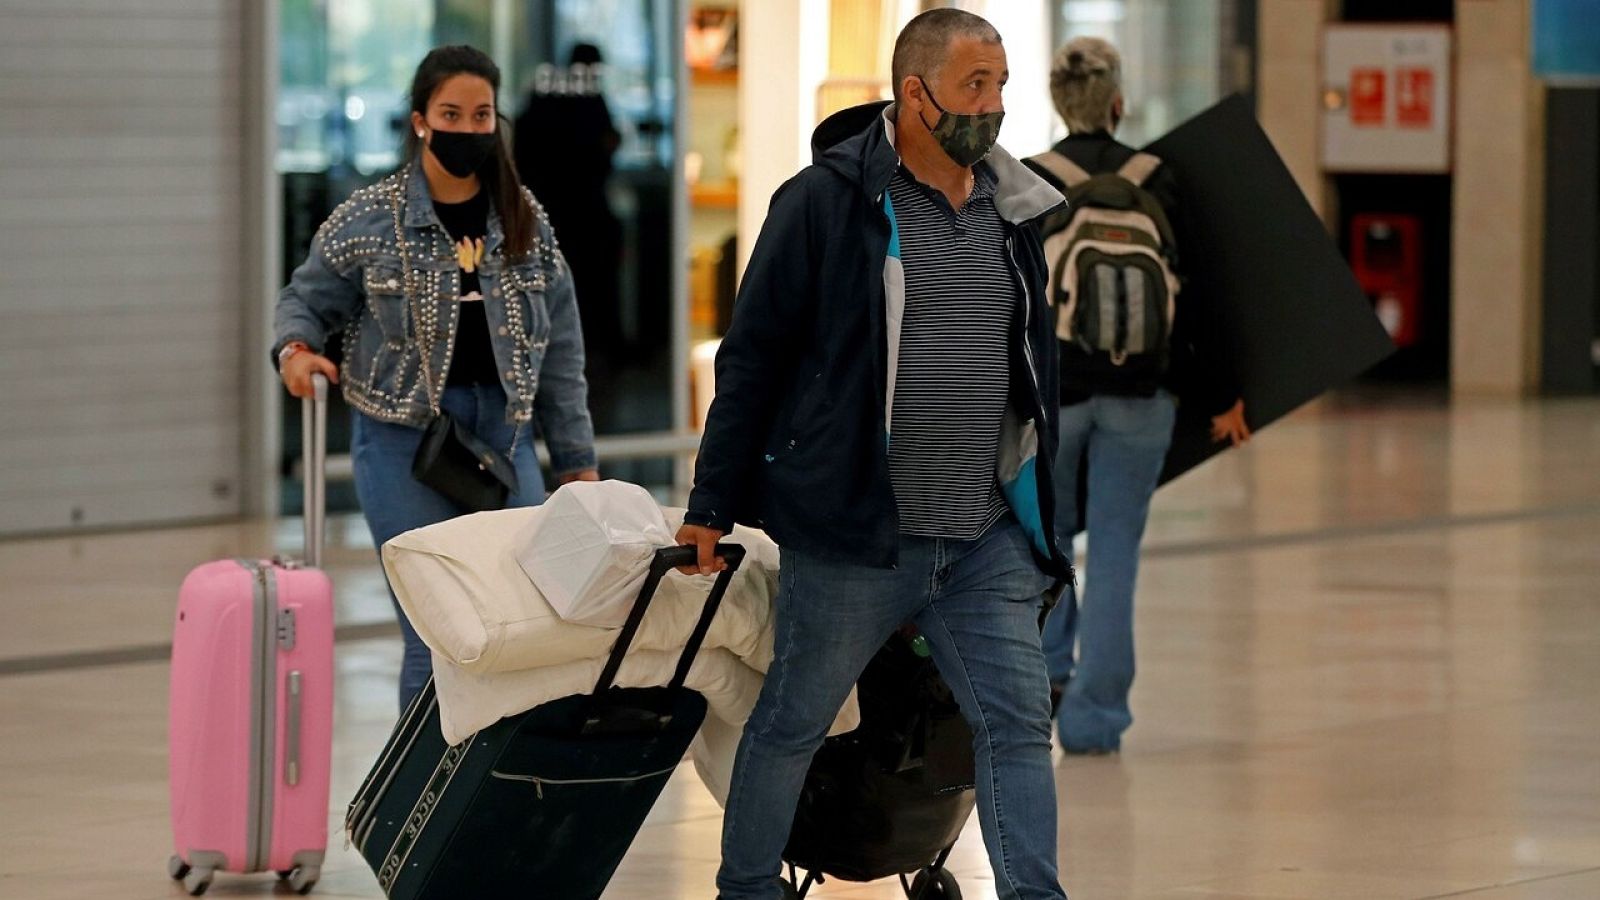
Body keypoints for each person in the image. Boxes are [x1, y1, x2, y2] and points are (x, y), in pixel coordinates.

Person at [675, 10, 1073, 899]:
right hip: (857, 536)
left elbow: (1033, 372)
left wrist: (1042, 501)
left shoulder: (1015, 213)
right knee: (792, 723)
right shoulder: (826, 204)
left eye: (1002, 85)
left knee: (1013, 727)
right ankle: (745, 889)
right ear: (915, 93)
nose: (994, 105)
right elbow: (753, 358)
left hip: (981, 536)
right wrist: (710, 503)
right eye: (977, 85)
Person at [273, 45, 599, 712]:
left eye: (481, 115)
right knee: (435, 634)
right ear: (421, 120)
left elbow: (560, 348)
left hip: (502, 443)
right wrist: (296, 352)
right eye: (451, 113)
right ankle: (416, 813)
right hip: (403, 442)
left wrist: (576, 463)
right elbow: (305, 298)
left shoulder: (523, 220)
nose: (467, 129)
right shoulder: (373, 217)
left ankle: (496, 796)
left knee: (527, 622)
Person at [1025, 37, 1249, 755]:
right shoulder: (1159, 177)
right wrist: (1224, 394)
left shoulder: (1032, 180)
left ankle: (1050, 674)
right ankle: (1097, 720)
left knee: (1048, 541)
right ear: (1117, 103)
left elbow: (1011, 302)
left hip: (1056, 395)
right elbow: (1202, 292)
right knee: (1116, 548)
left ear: (1059, 102)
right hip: (1142, 394)